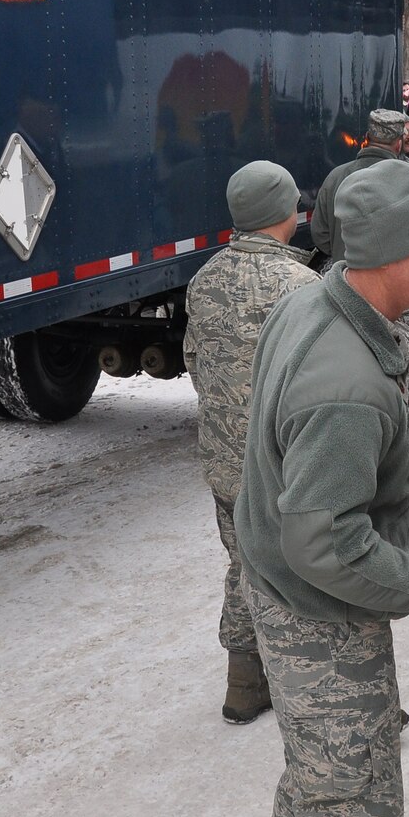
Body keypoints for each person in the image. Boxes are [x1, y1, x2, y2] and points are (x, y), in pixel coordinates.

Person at [227, 158, 409, 817]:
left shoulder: (310, 303)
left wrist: (389, 492)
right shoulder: (345, 387)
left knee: (322, 759)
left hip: (281, 590)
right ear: (390, 253)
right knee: (357, 800)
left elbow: (299, 464)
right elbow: (324, 540)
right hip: (318, 609)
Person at [183, 161, 319, 726]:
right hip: (284, 470)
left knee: (244, 565)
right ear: (285, 213)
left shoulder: (204, 278)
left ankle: (244, 684)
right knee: (304, 577)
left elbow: (195, 362)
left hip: (224, 464)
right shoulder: (304, 289)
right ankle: (319, 696)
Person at [311, 109, 409, 398]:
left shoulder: (336, 177)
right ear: (397, 143)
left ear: (367, 138)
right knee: (406, 386)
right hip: (402, 302)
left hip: (348, 296)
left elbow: (319, 234)